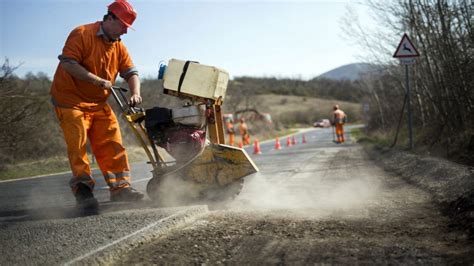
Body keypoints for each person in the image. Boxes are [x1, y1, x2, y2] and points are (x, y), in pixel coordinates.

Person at [50, 0, 144, 210]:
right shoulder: (82, 33)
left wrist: (136, 93)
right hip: (70, 100)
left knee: (113, 142)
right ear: (110, 18)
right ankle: (83, 191)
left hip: (97, 102)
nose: (125, 33)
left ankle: (121, 189)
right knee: (78, 143)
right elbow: (68, 63)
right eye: (123, 26)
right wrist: (96, 80)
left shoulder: (118, 46)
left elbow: (131, 72)